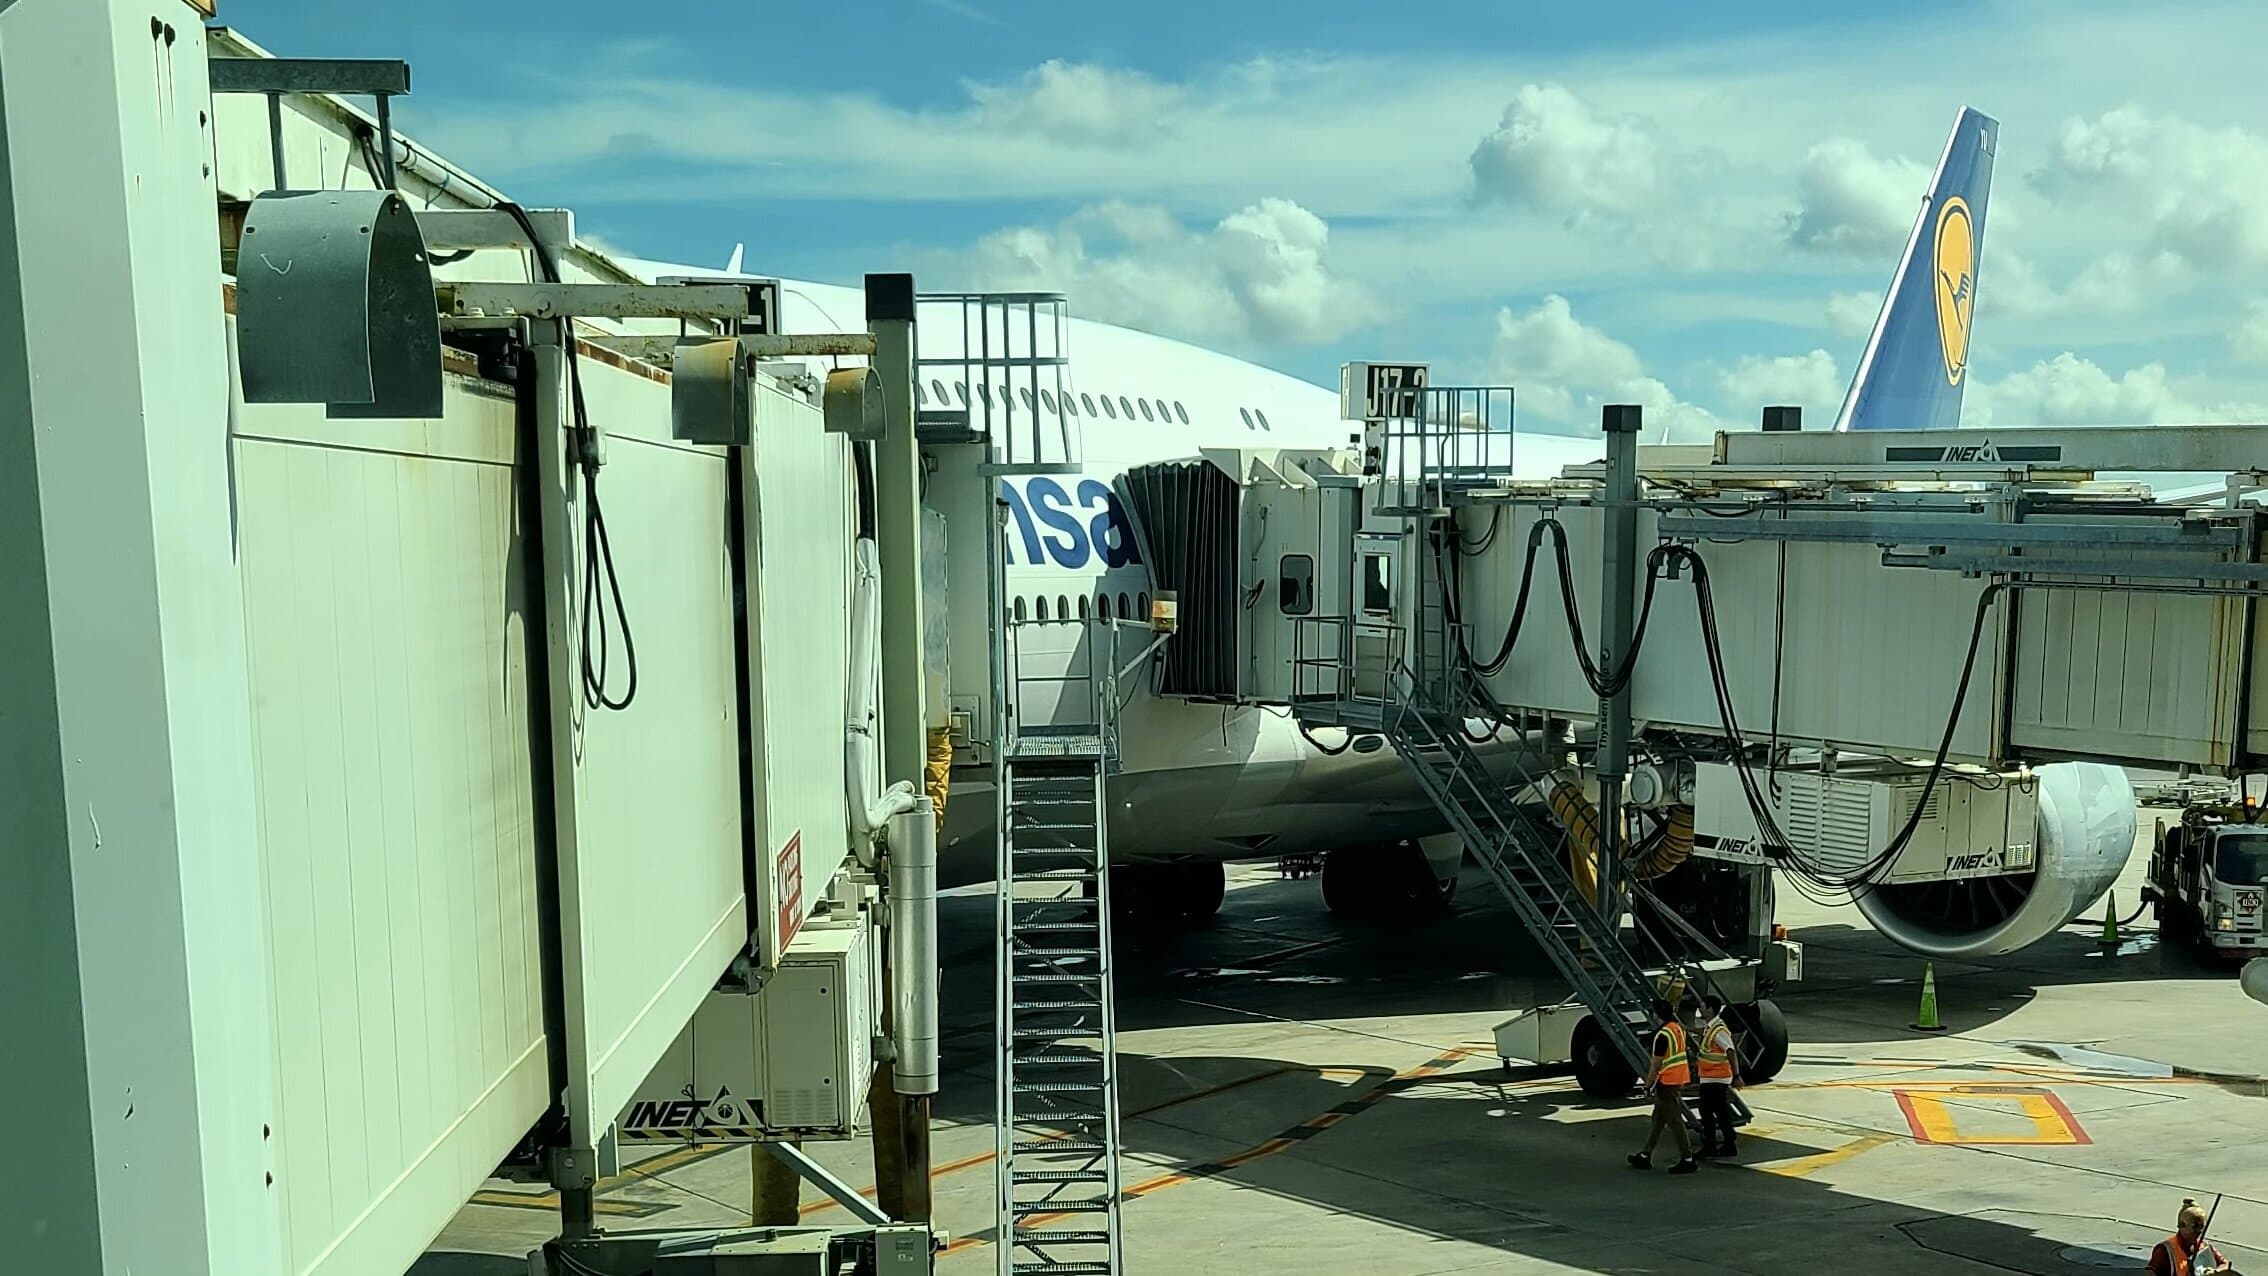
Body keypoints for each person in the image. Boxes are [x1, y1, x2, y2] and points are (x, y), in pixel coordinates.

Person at [1627, 998, 1699, 1174]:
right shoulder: (1677, 1029)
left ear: (1656, 1015)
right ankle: (1645, 1155)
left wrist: (1647, 1085)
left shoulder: (1662, 1035)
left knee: (1675, 1121)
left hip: (1667, 1083)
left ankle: (1687, 1158)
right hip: (1677, 1079)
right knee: (1658, 1120)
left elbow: (1656, 1064)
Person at [1695, 994, 1740, 1158]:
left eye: (1702, 1006)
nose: (1700, 1009)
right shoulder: (1711, 1027)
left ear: (1711, 1009)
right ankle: (1728, 1143)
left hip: (1716, 1078)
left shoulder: (1718, 1030)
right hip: (1711, 1077)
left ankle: (1711, 1145)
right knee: (1719, 1111)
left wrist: (1736, 1075)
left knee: (1707, 1112)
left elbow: (1731, 1050)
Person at [2148, 1199, 2234, 1275]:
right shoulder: (2164, 1250)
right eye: (2195, 1226)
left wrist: (2214, 1272)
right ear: (2182, 1225)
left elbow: (2225, 1264)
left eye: (2202, 1227)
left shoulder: (2204, 1246)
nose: (2199, 1231)